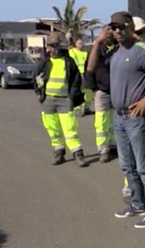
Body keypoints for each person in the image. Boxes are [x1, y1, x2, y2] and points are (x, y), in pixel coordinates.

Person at [88, 12, 145, 229]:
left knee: (144, 166)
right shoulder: (115, 52)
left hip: (137, 118)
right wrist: (98, 41)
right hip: (119, 117)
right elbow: (91, 68)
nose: (116, 31)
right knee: (127, 166)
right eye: (113, 27)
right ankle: (137, 204)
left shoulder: (141, 50)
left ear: (129, 27)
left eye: (119, 27)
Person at [34, 32, 87, 167]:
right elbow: (35, 77)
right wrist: (38, 93)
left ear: (58, 46)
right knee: (52, 128)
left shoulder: (68, 61)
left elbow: (76, 80)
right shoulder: (45, 62)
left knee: (69, 128)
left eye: (53, 46)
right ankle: (59, 152)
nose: (50, 49)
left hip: (64, 100)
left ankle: (78, 154)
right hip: (48, 100)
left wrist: (72, 96)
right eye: (49, 46)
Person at [84, 36, 117, 163]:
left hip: (117, 91)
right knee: (101, 121)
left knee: (115, 120)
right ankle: (103, 150)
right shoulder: (96, 50)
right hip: (101, 91)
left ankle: (114, 146)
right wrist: (93, 89)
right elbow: (88, 71)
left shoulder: (119, 48)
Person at [69, 38, 93, 115]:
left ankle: (86, 107)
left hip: (85, 74)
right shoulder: (72, 52)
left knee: (88, 92)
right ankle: (78, 108)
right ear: (75, 44)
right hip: (77, 75)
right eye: (79, 43)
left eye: (82, 43)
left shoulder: (84, 53)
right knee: (79, 92)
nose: (81, 45)